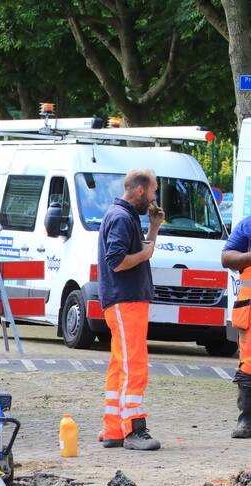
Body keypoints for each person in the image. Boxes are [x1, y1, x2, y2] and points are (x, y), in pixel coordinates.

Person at [97, 169, 164, 451]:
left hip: (123, 301)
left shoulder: (124, 216)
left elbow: (135, 252)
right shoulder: (123, 218)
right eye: (153, 191)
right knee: (134, 365)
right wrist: (145, 255)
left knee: (119, 364)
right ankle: (133, 428)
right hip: (126, 302)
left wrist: (154, 228)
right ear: (139, 191)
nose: (154, 197)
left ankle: (113, 427)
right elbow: (117, 261)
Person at [220, 213, 251, 438]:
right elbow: (226, 257)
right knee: (248, 367)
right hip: (250, 311)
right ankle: (247, 420)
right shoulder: (248, 225)